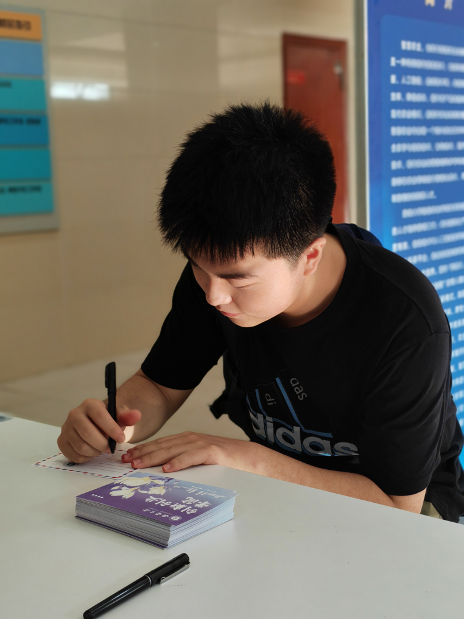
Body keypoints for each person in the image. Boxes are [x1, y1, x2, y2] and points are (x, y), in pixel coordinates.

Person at [58, 102, 464, 522]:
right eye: (197, 266)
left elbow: (396, 504)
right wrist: (112, 424)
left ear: (310, 257)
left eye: (237, 279)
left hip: (405, 514)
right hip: (279, 485)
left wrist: (246, 457)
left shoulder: (404, 320)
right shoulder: (216, 271)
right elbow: (160, 387)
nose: (214, 296)